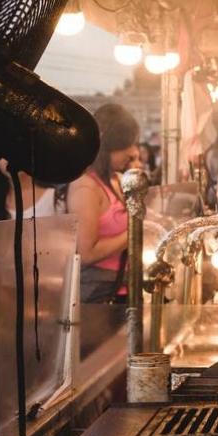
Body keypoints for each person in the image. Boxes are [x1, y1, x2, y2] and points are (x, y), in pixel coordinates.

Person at [68, 103, 140, 303]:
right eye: (125, 145)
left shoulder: (117, 179)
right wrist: (135, 232)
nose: (131, 151)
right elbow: (87, 252)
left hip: (125, 287)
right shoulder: (86, 187)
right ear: (107, 148)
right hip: (98, 293)